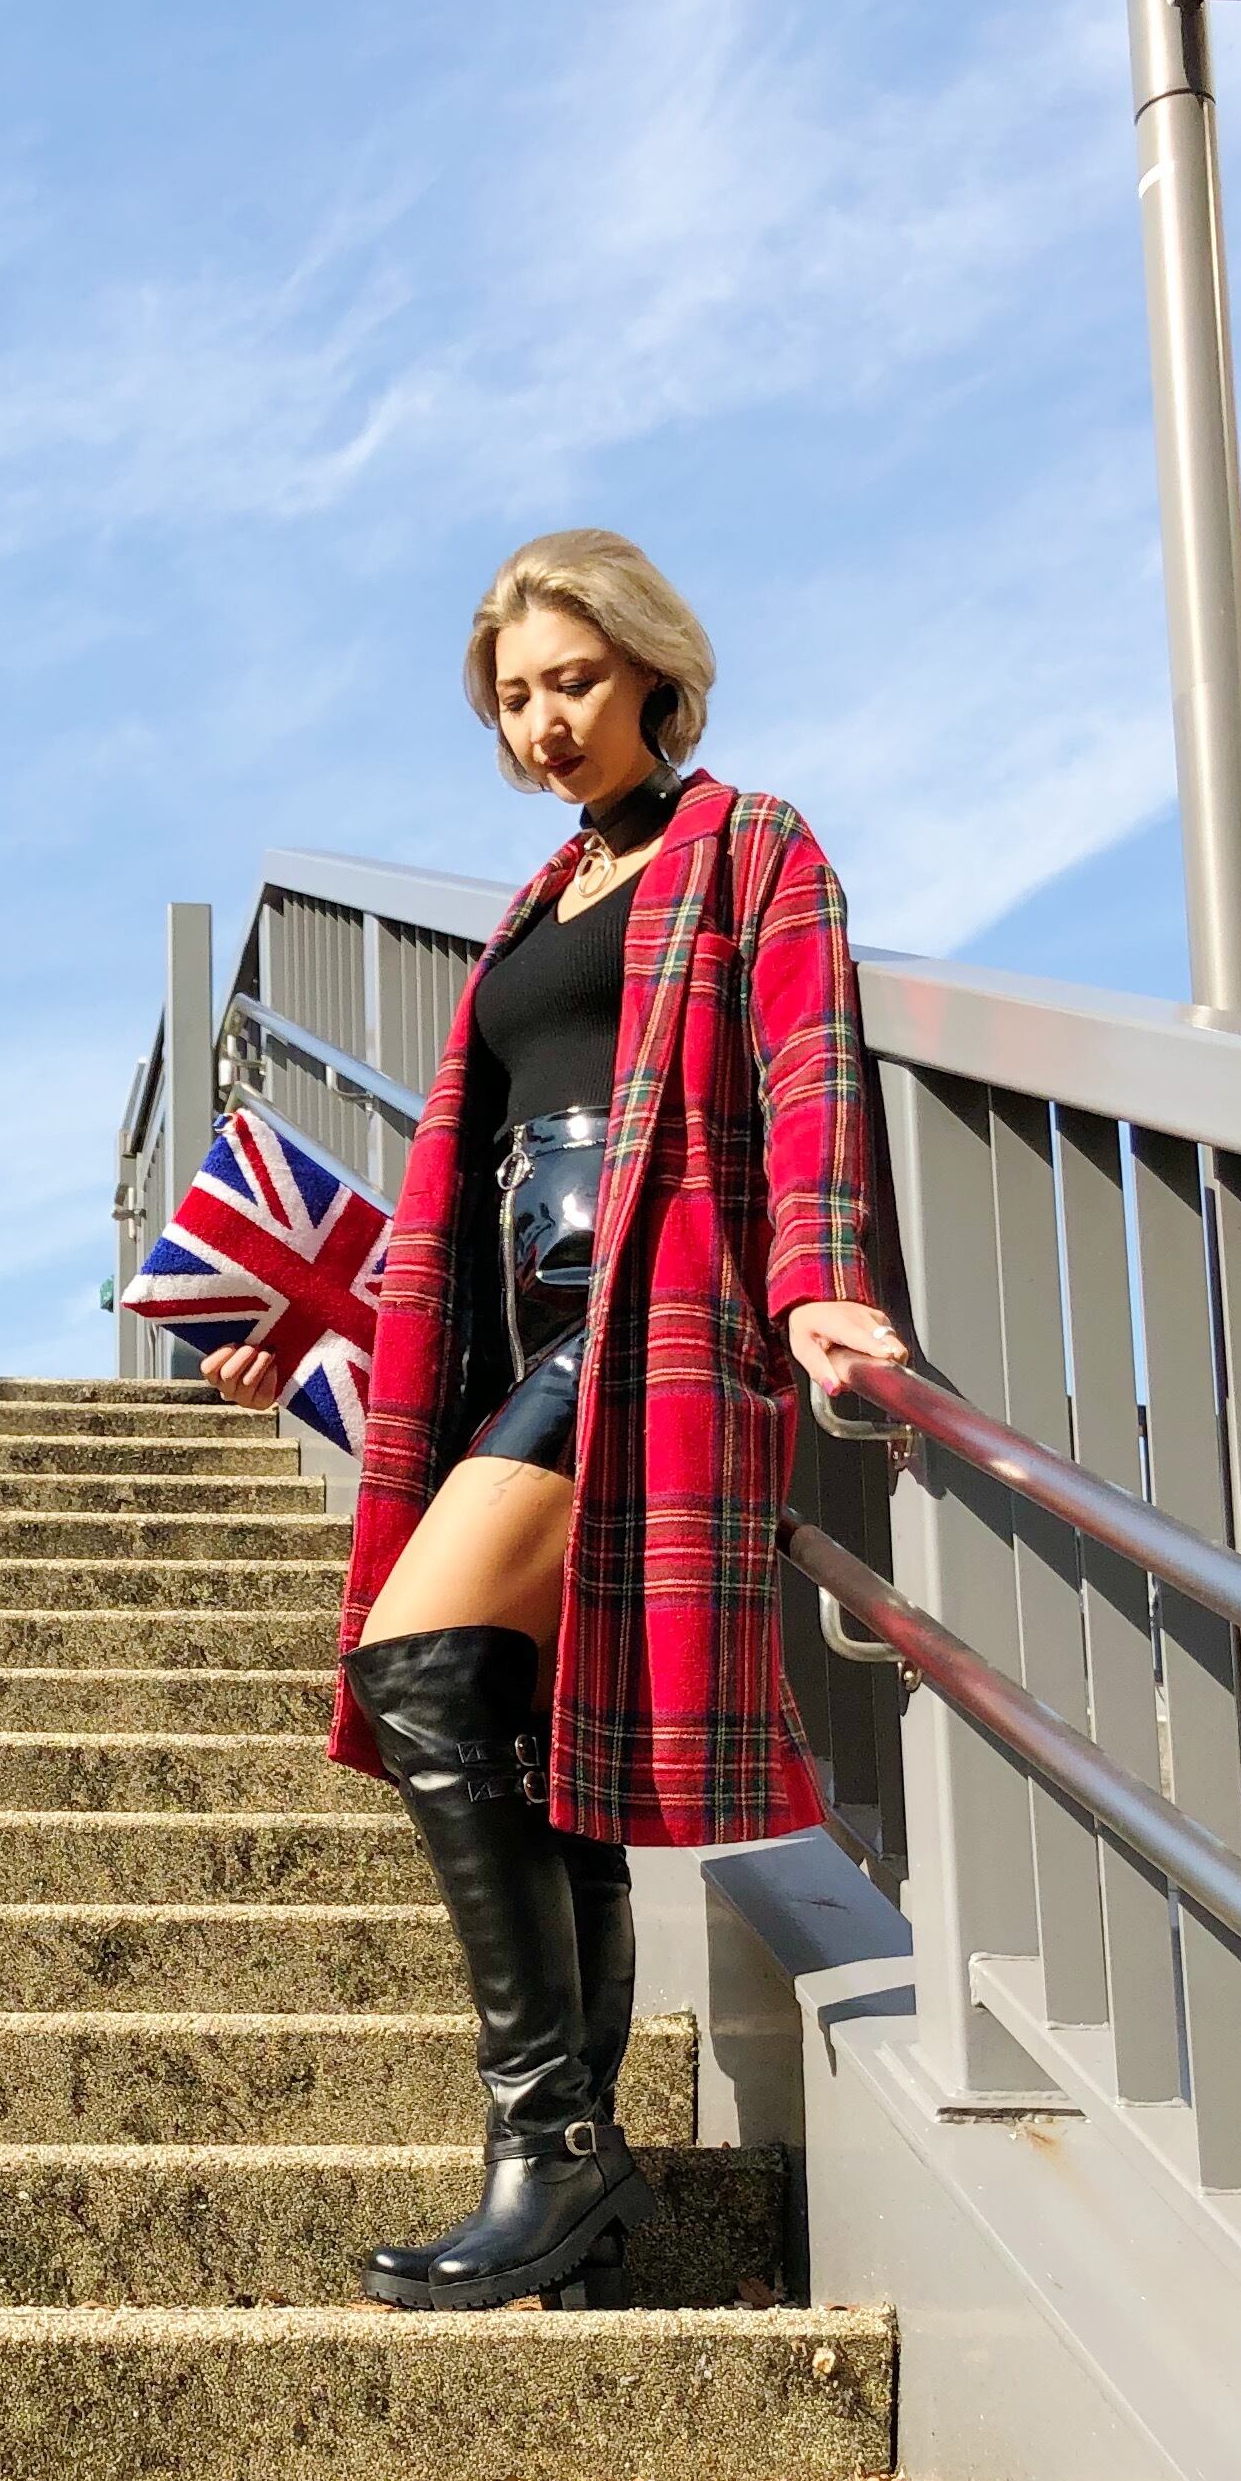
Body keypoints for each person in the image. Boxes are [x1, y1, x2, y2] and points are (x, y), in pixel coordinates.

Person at [206, 528, 906, 2312]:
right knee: (523, 1724)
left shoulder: (749, 844)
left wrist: (817, 1280)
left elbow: (809, 1068)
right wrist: (315, 1328)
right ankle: (576, 2166)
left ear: (658, 669)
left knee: (418, 1662)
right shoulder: (533, 906)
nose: (543, 722)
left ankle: (550, 2143)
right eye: (514, 697)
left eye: (574, 681)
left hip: (653, 1322)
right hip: (529, 1332)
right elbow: (472, 1182)